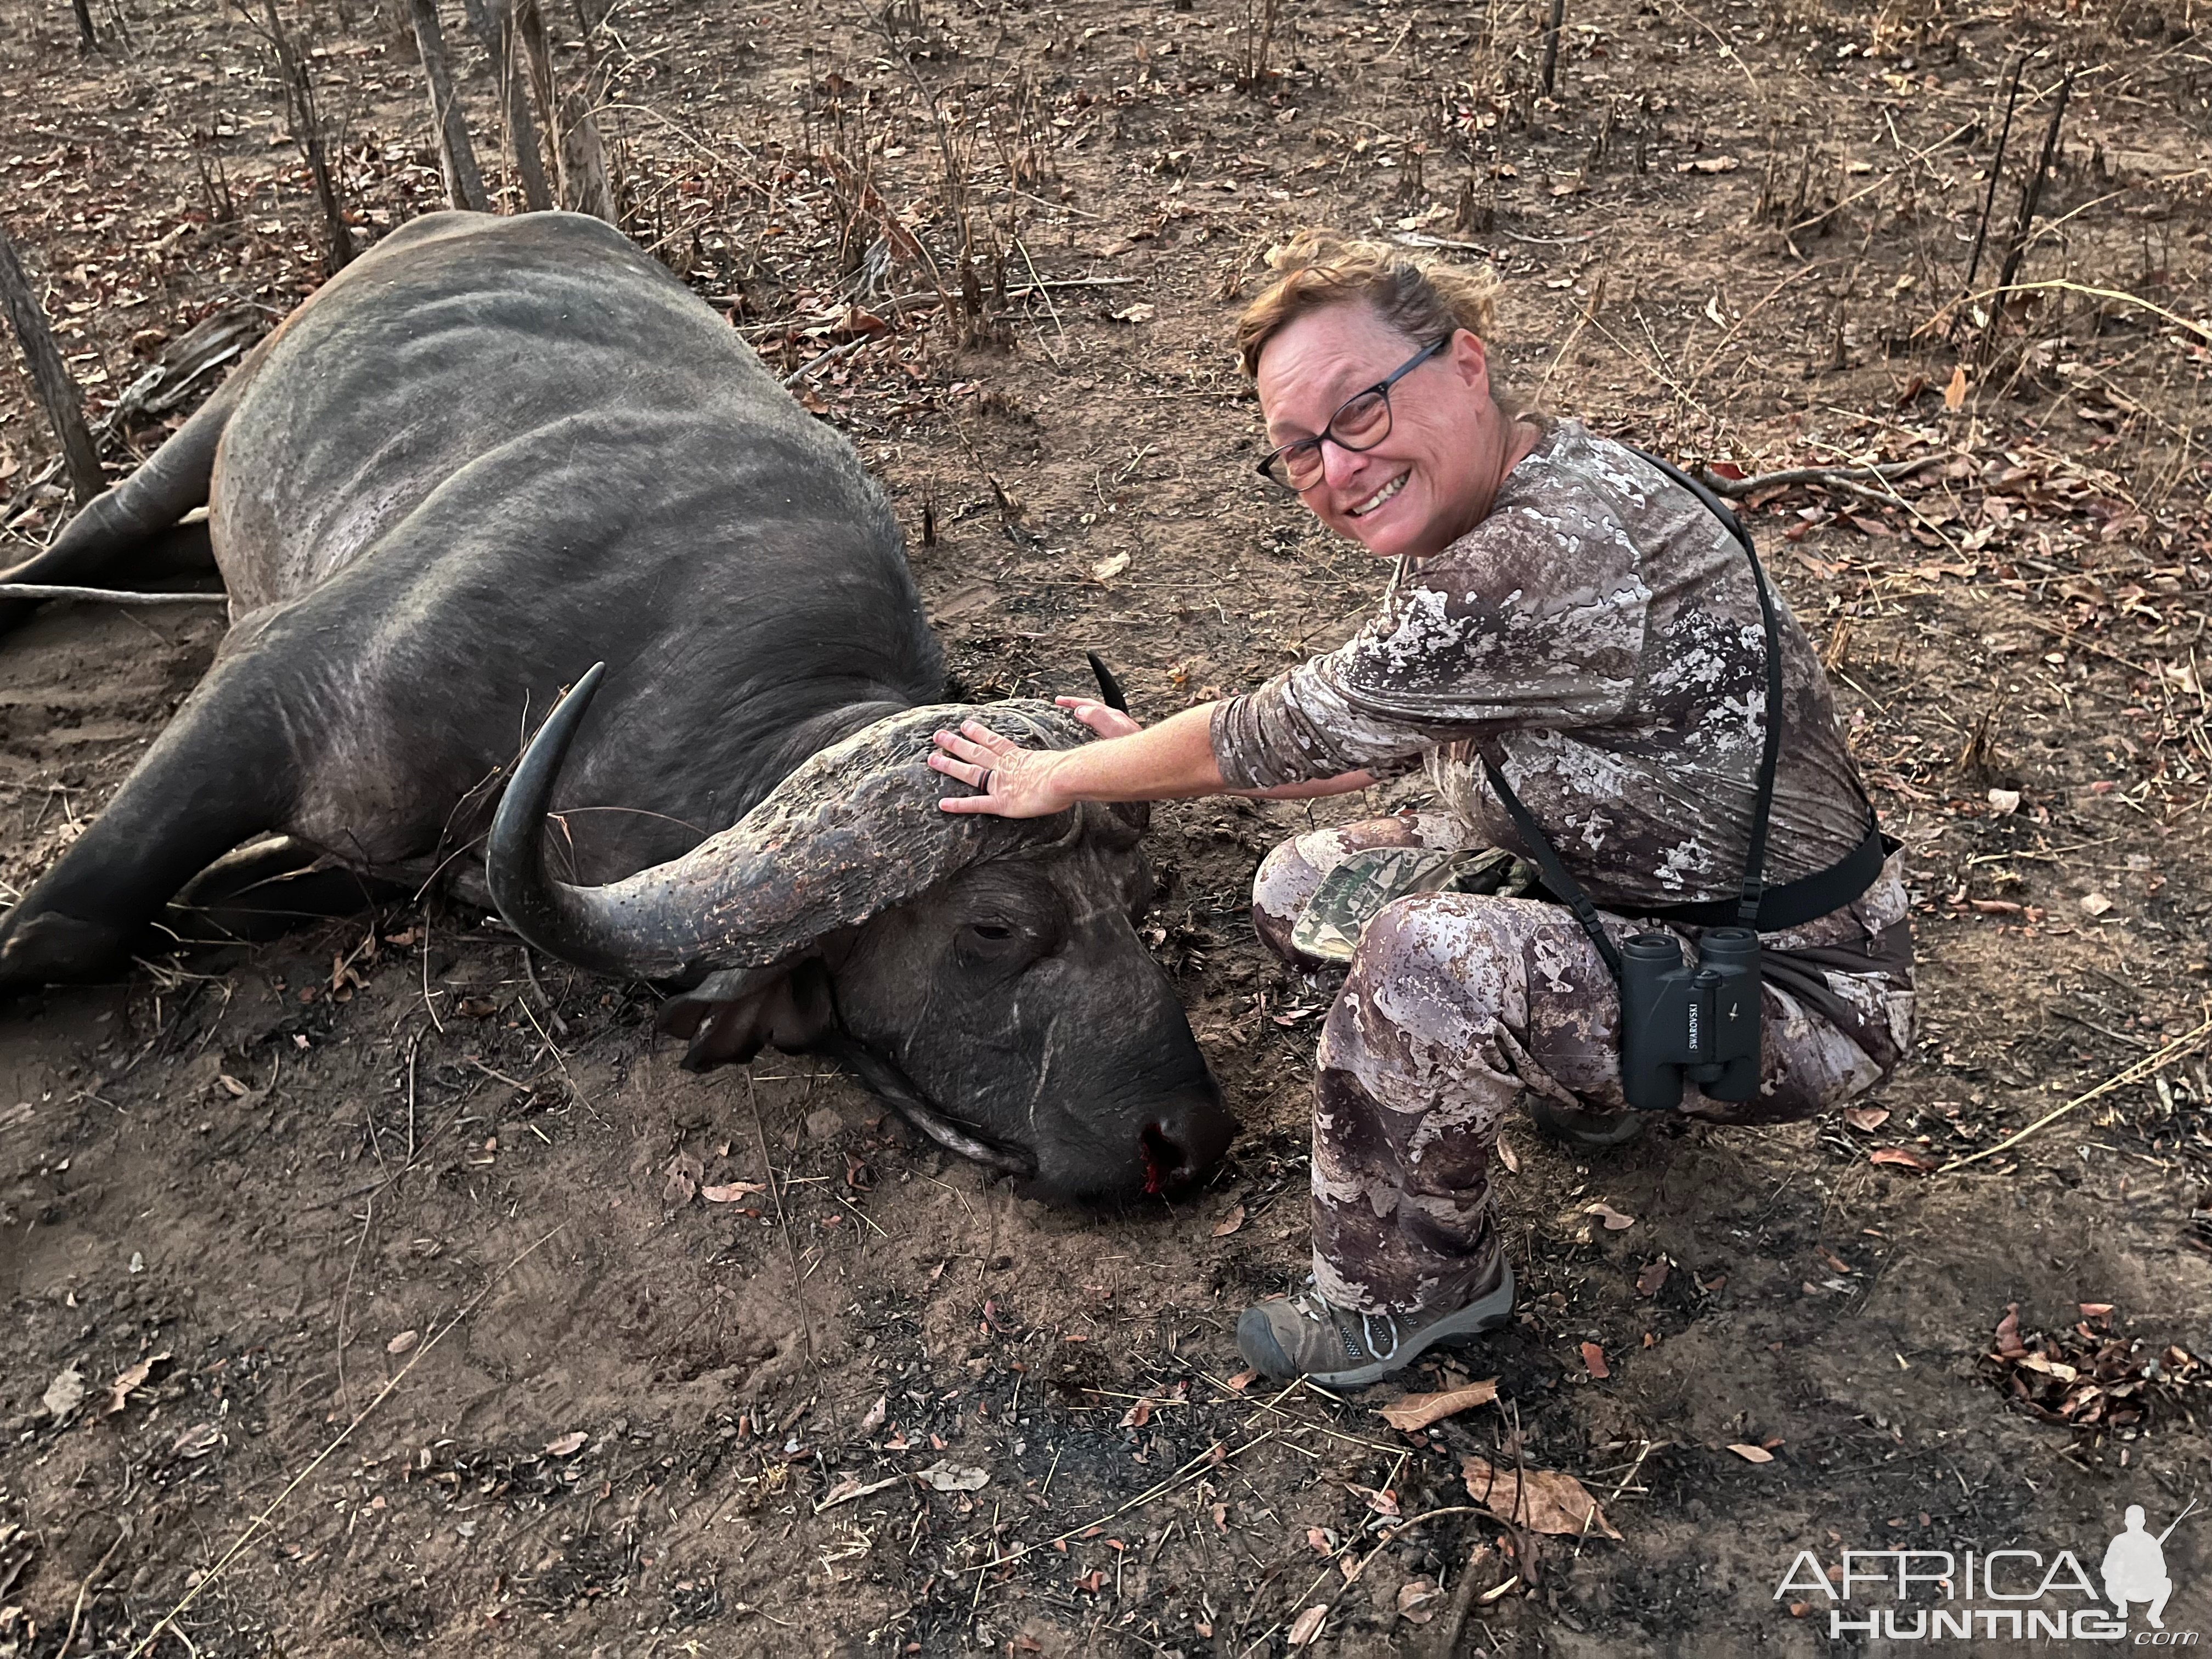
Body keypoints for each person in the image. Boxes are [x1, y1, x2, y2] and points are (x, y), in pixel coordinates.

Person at [927, 229, 1914, 1387]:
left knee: (1421, 962)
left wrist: (1055, 778)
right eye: (1298, 450)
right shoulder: (1506, 493)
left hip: (1795, 989)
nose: (1338, 469)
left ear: (1467, 365)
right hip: (1633, 898)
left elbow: (1293, 729)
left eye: (1361, 412)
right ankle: (1595, 1087)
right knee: (1307, 891)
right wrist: (1135, 756)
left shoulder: (1539, 554)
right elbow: (1356, 738)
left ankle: (1406, 1296)